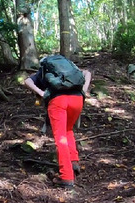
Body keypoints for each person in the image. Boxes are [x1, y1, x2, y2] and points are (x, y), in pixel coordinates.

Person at [24, 56, 92, 188]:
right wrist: (84, 90)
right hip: (77, 99)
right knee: (68, 130)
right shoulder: (69, 69)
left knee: (60, 138)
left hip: (58, 101)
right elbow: (87, 73)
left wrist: (41, 92)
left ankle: (66, 177)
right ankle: (73, 162)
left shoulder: (43, 71)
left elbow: (27, 81)